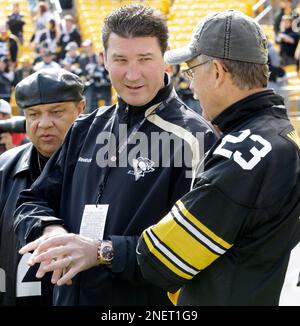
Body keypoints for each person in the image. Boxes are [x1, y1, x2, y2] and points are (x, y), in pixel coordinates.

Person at [14, 5, 217, 306]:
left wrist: (101, 252)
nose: (132, 74)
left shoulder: (196, 139)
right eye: (120, 60)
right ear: (103, 61)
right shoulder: (85, 128)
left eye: (145, 59)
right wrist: (49, 230)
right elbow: (31, 200)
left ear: (166, 59)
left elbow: (191, 249)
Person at [137, 10, 300, 306]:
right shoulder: (284, 135)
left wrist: (107, 250)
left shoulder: (244, 153)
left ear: (217, 71)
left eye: (192, 71)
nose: (192, 87)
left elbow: (158, 261)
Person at [0, 68, 85, 305]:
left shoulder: (109, 171)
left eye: (56, 112)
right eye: (33, 114)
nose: (44, 124)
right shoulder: (3, 169)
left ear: (81, 108)